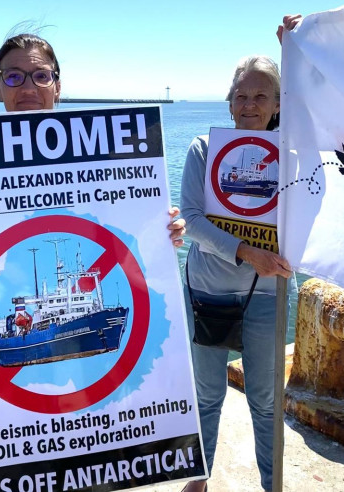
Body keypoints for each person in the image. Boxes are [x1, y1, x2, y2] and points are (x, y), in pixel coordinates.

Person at [0, 32, 185, 252]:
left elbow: (125, 227)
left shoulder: (105, 152)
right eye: (14, 77)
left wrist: (160, 229)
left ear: (57, 87)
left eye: (41, 76)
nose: (29, 88)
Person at [180, 53, 295, 492]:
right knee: (207, 397)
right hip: (206, 292)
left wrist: (295, 49)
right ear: (229, 103)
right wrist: (248, 252)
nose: (250, 104)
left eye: (262, 95)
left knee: (266, 403)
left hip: (267, 296)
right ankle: (198, 478)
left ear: (279, 104)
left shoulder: (293, 156)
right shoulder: (202, 149)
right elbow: (191, 220)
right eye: (241, 95)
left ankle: (273, 484)